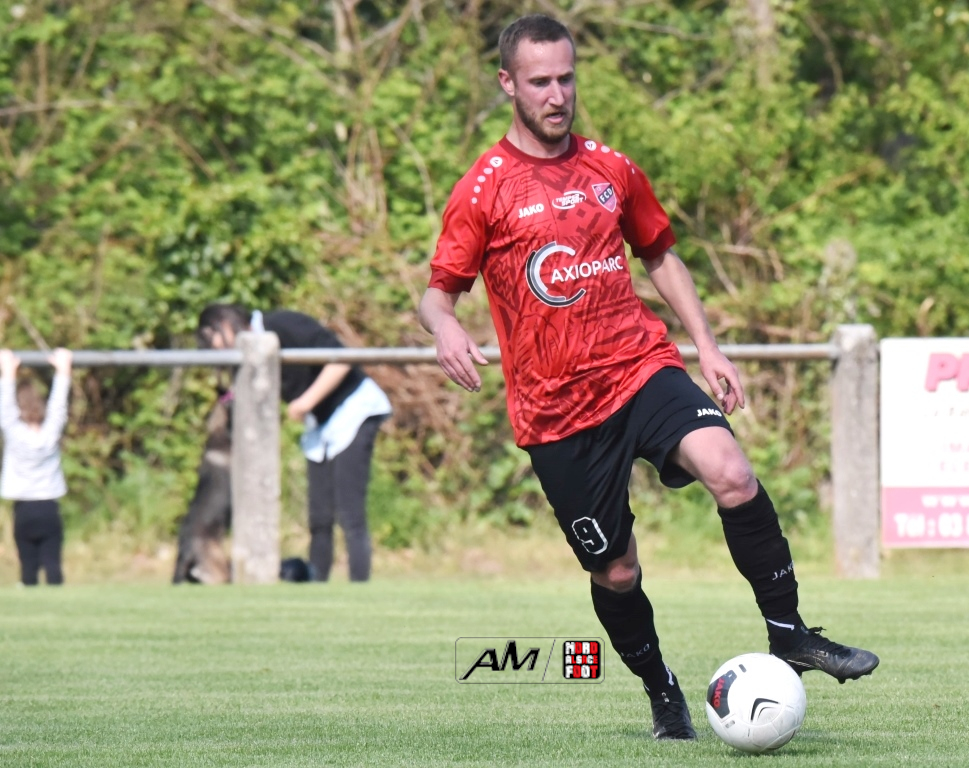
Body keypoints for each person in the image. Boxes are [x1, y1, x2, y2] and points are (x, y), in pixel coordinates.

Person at [418, 14, 878, 740]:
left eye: (566, 78)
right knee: (617, 573)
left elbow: (660, 255)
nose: (557, 95)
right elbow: (437, 293)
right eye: (539, 82)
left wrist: (708, 348)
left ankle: (790, 633)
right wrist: (445, 326)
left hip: (640, 367)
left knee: (732, 473)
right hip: (557, 412)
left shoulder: (612, 169)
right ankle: (662, 689)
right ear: (507, 83)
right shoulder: (483, 190)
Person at [197, 305, 392, 582]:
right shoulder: (250, 355)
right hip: (321, 425)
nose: (220, 347)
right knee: (319, 515)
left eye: (218, 338)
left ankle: (359, 585)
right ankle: (317, 581)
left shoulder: (282, 324)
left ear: (226, 322)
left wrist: (305, 403)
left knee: (350, 511)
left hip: (354, 410)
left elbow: (342, 359)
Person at [1, 348, 72, 586]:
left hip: (24, 508)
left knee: (28, 566)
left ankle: (30, 591)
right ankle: (57, 600)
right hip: (49, 507)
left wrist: (8, 373)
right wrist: (63, 371)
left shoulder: (14, 433)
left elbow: (6, 410)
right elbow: (58, 407)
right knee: (53, 565)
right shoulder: (50, 433)